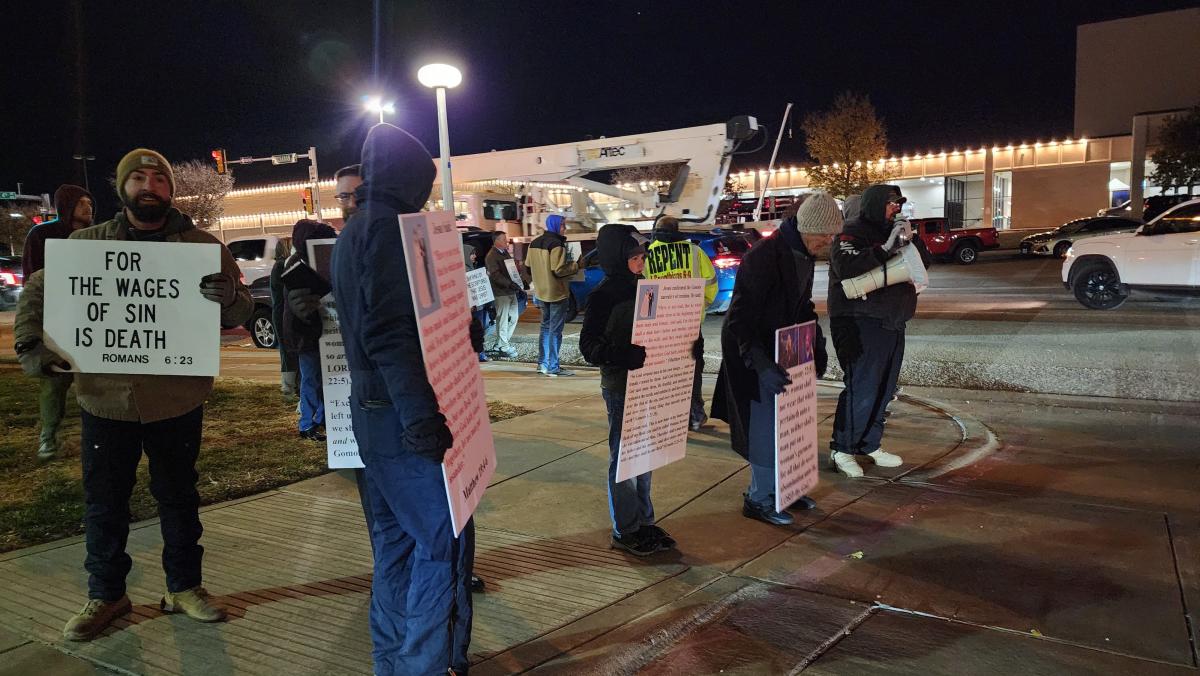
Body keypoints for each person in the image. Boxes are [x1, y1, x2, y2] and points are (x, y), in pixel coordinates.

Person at [13, 148, 251, 640]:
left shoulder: (203, 246)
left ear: (170, 189)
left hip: (177, 400)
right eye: (138, 178)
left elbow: (239, 311)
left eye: (158, 179)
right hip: (105, 399)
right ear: (121, 188)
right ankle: (106, 594)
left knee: (179, 498)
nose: (149, 186)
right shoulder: (86, 245)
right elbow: (37, 290)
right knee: (104, 503)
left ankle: (185, 588)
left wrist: (229, 298)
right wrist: (30, 345)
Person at [330, 124, 473, 675]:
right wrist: (422, 417)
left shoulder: (354, 232)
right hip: (399, 417)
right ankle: (425, 665)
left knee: (394, 547)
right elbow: (391, 332)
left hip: (371, 413)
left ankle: (391, 663)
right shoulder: (392, 232)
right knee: (440, 546)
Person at [711, 192, 840, 525]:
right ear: (806, 226)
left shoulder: (803, 253)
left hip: (785, 348)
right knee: (764, 430)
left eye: (831, 235)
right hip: (752, 351)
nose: (828, 241)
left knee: (789, 424)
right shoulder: (763, 257)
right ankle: (758, 498)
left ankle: (788, 489)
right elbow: (740, 320)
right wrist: (760, 364)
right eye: (823, 235)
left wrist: (818, 343)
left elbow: (802, 305)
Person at [579, 223, 678, 556]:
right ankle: (625, 528)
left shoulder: (644, 287)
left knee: (644, 455)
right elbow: (589, 347)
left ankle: (644, 521)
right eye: (635, 257)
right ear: (618, 258)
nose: (642, 261)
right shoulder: (603, 295)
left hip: (648, 384)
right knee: (624, 458)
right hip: (621, 387)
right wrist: (623, 355)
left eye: (642, 256)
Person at [827, 184, 916, 478]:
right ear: (877, 202)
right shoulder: (851, 231)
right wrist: (885, 248)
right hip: (859, 320)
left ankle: (869, 444)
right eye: (893, 202)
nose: (897, 207)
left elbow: (920, 263)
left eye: (900, 202)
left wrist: (910, 241)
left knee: (885, 389)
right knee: (862, 388)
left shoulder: (894, 229)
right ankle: (843, 448)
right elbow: (847, 265)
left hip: (890, 321)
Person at [20, 184, 94, 460]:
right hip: (58, 320)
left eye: (90, 203)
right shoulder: (42, 235)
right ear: (67, 206)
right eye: (82, 203)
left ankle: (96, 438)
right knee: (55, 380)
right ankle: (48, 437)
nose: (88, 208)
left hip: (91, 318)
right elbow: (33, 280)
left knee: (97, 382)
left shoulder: (94, 237)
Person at [644, 216, 718, 431]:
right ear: (677, 230)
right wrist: (701, 305)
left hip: (662, 325)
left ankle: (672, 416)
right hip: (689, 323)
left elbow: (644, 289)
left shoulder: (648, 254)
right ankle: (695, 414)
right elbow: (711, 281)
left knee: (668, 372)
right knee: (693, 369)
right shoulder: (694, 252)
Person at [281, 219, 337, 441]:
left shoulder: (296, 264)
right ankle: (308, 424)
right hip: (308, 335)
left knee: (322, 379)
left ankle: (318, 420)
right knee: (312, 379)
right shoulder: (296, 267)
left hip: (319, 332)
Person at [526, 214, 578, 376]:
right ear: (556, 226)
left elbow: (527, 266)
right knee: (555, 331)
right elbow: (559, 270)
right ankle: (553, 366)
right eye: (563, 225)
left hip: (541, 292)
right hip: (557, 293)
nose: (565, 228)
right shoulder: (557, 245)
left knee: (545, 328)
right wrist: (576, 265)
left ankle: (542, 364)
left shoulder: (534, 243)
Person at [484, 231, 525, 358]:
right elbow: (495, 275)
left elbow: (510, 270)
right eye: (503, 239)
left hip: (510, 290)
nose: (506, 241)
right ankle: (503, 346)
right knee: (502, 319)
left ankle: (501, 344)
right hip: (501, 292)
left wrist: (518, 282)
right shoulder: (491, 256)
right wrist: (510, 284)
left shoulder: (505, 253)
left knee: (513, 317)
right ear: (496, 241)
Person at [268, 239, 299, 401]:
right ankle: (288, 389)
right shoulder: (282, 266)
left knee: (286, 351)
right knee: (288, 352)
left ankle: (289, 388)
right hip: (282, 314)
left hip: (279, 312)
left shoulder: (278, 266)